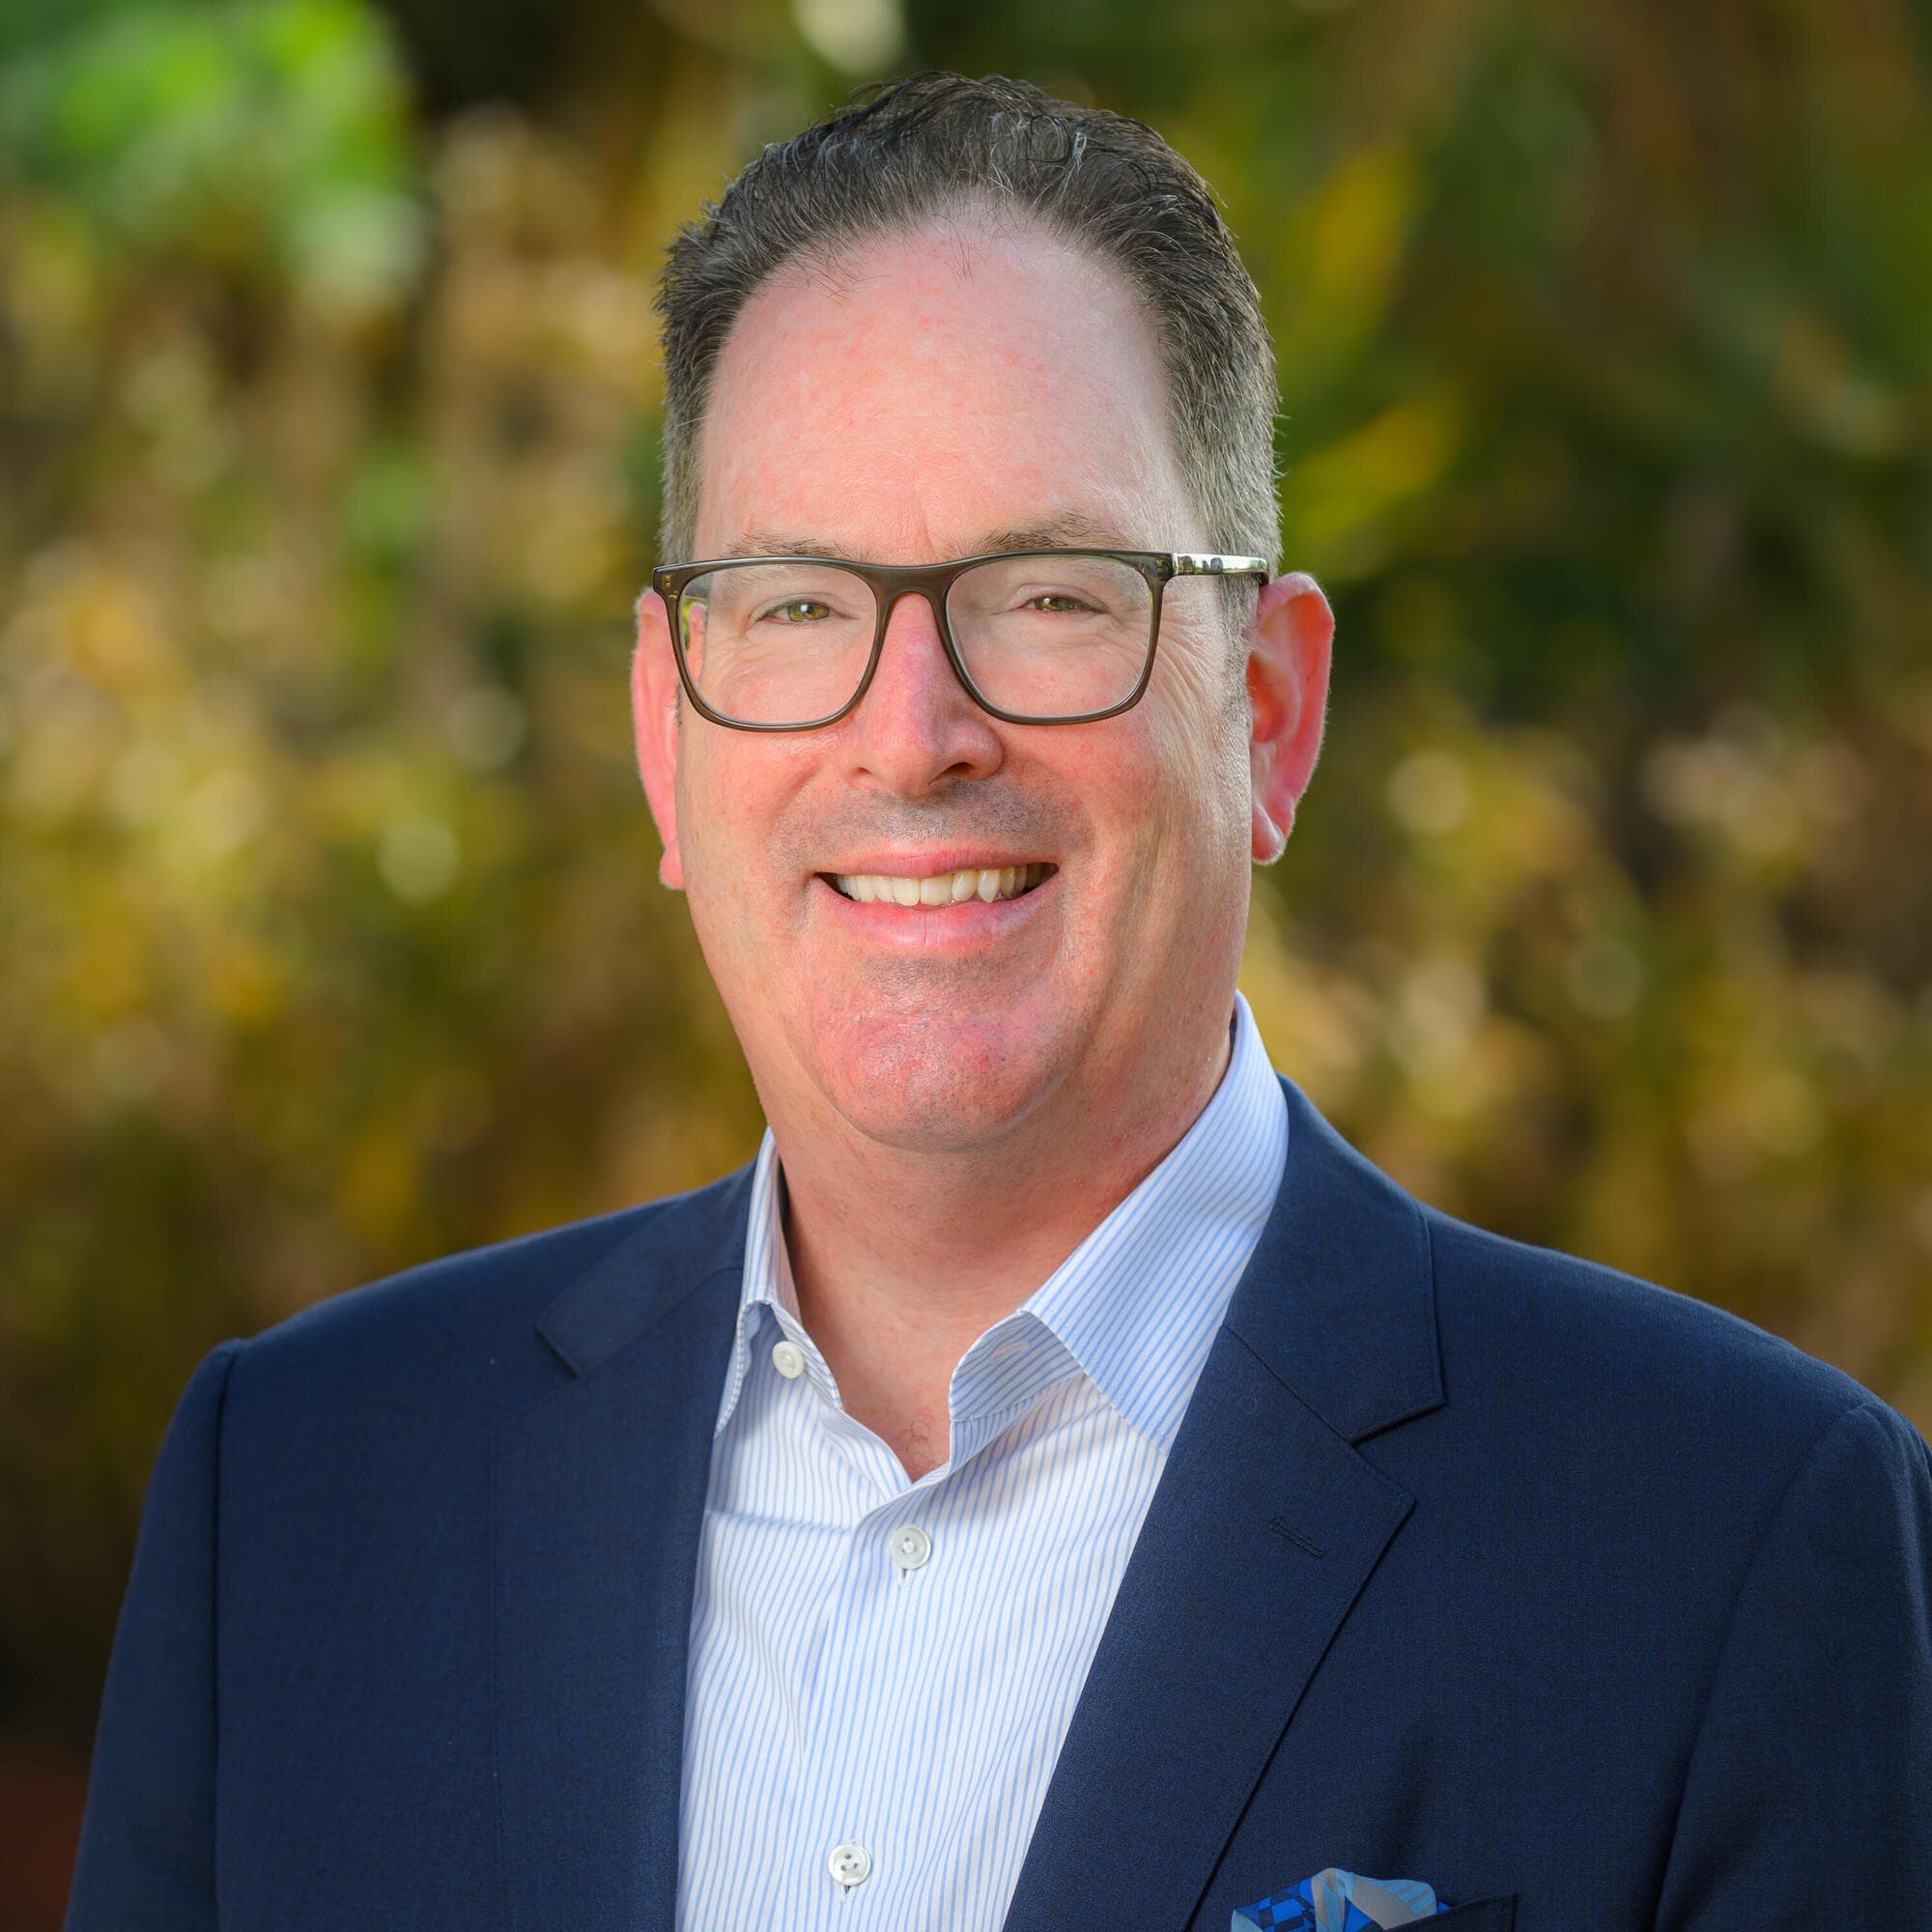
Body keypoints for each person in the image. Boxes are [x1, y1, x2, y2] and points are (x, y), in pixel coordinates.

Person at [65, 71, 1931, 1932]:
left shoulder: (1739, 1544)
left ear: (1267, 715)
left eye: (1049, 594)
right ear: (664, 730)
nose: (914, 735)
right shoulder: (299, 1502)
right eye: (795, 606)